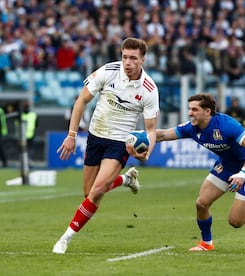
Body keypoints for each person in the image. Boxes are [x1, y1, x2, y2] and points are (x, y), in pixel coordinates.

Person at [52, 37, 160, 254]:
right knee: (88, 192)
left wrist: (148, 150)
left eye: (133, 58)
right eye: (124, 57)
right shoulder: (107, 71)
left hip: (120, 142)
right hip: (95, 135)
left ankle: (65, 238)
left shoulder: (149, 90)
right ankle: (126, 179)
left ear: (143, 60)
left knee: (98, 190)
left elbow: (150, 130)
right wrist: (71, 135)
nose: (127, 62)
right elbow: (81, 101)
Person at [155, 93, 245, 251]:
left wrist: (243, 173)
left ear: (207, 112)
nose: (190, 113)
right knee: (201, 203)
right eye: (189, 109)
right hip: (225, 166)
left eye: (194, 109)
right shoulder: (191, 128)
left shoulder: (226, 124)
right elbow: (163, 135)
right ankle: (206, 243)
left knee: (236, 222)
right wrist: (138, 137)